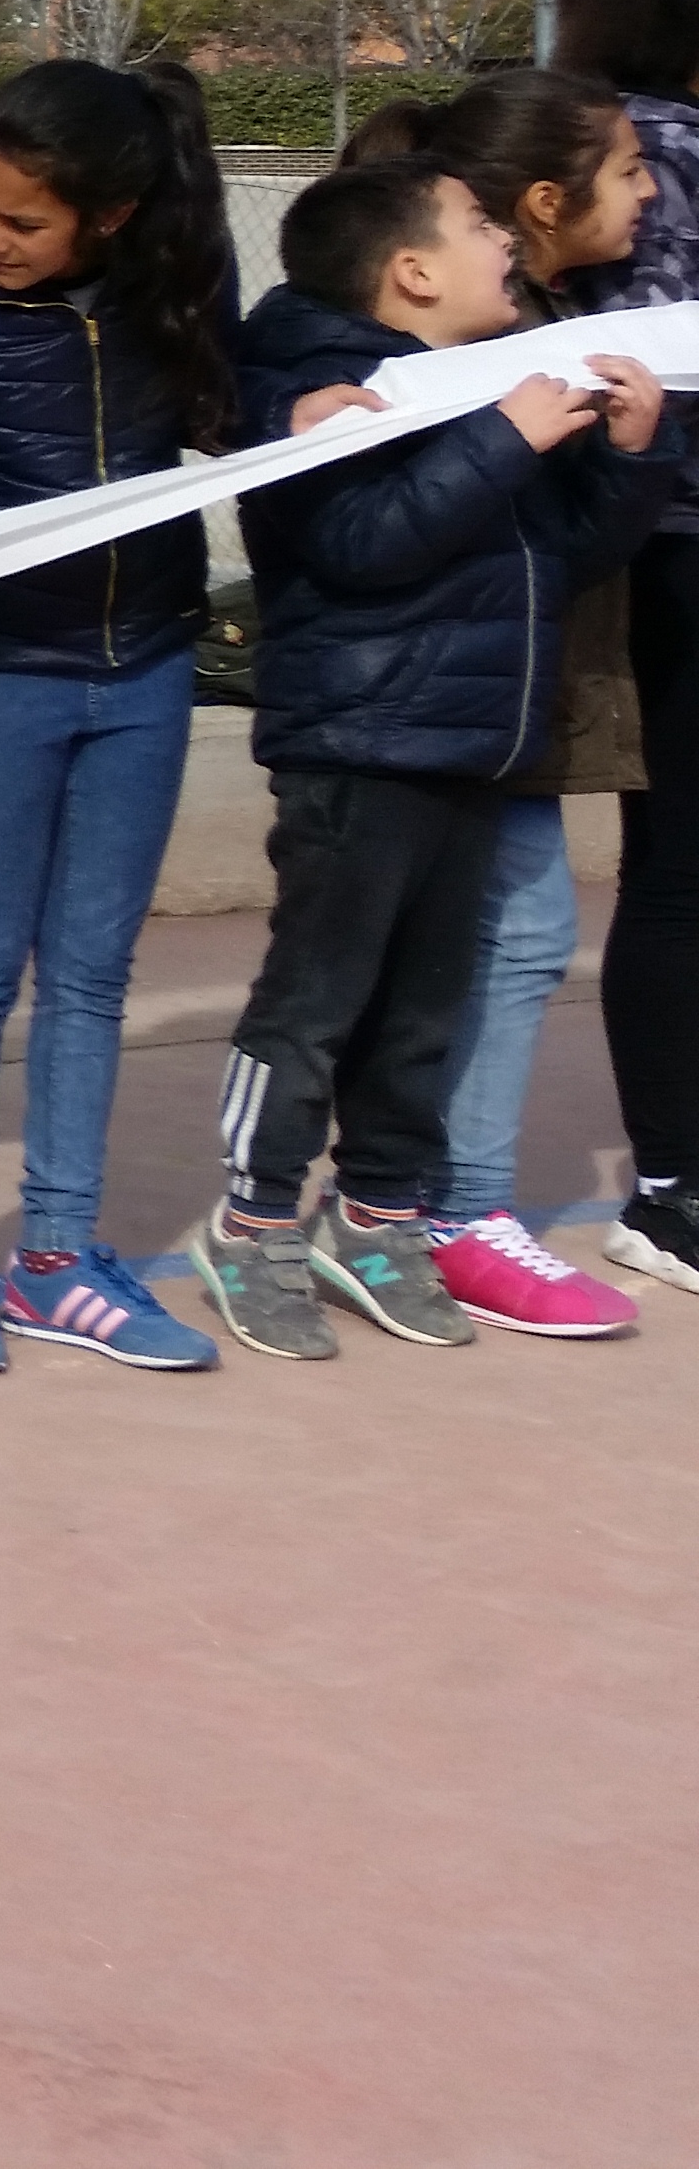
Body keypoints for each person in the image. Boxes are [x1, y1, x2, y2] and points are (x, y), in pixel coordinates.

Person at [199, 154, 682, 1360]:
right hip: (356, 748)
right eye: (477, 224)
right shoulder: (324, 389)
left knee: (421, 1013)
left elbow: (553, 559)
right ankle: (249, 1222)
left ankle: (375, 1220)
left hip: (468, 747)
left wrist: (631, 457)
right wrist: (504, 440)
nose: (504, 240)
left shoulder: (481, 386)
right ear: (410, 271)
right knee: (314, 1003)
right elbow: (360, 542)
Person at [0, 59, 243, 1375]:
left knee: (91, 974)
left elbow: (229, 415)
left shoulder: (172, 287)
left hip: (148, 667)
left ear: (109, 215)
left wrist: (325, 405)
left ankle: (59, 1259)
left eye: (23, 221)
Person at [348, 76, 654, 1337]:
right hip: (438, 699)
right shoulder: (448, 343)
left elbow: (567, 544)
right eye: (625, 168)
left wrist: (630, 453)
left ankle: (427, 1205)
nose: (648, 191)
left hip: (511, 691)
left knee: (505, 938)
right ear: (536, 203)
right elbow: (402, 525)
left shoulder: (560, 325)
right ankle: (421, 1210)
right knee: (450, 945)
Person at [550, 0, 699, 1293]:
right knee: (676, 868)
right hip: (670, 538)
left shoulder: (619, 139)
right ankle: (668, 1186)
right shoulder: (646, 148)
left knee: (673, 865)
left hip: (656, 534)